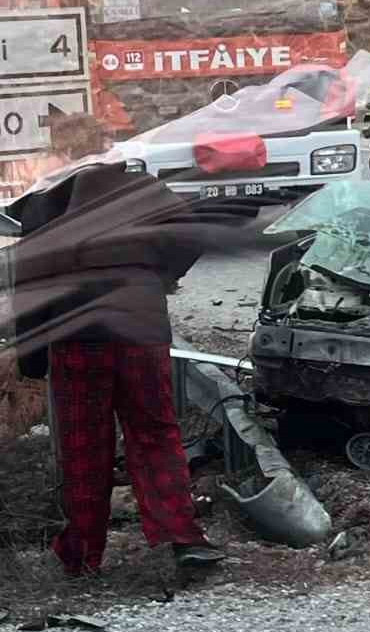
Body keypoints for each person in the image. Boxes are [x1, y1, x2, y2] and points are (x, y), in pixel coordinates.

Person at [10, 114, 232, 575]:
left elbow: (29, 281)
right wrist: (159, 273)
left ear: (60, 152)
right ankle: (184, 539)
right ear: (107, 144)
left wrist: (31, 355)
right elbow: (191, 235)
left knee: (83, 444)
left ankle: (82, 554)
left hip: (78, 337)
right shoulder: (142, 189)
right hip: (141, 330)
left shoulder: (46, 202)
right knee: (155, 433)